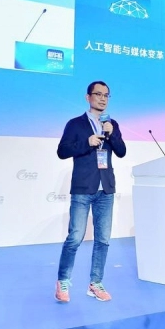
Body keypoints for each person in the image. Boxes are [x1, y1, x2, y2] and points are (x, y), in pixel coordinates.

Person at [55, 81, 127, 303]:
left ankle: (95, 283)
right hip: (83, 189)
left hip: (106, 189)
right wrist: (86, 143)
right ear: (88, 97)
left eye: (106, 95)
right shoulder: (75, 124)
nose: (103, 98)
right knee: (75, 238)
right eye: (98, 94)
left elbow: (122, 151)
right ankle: (63, 281)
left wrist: (112, 135)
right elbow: (62, 151)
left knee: (103, 240)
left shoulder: (112, 124)